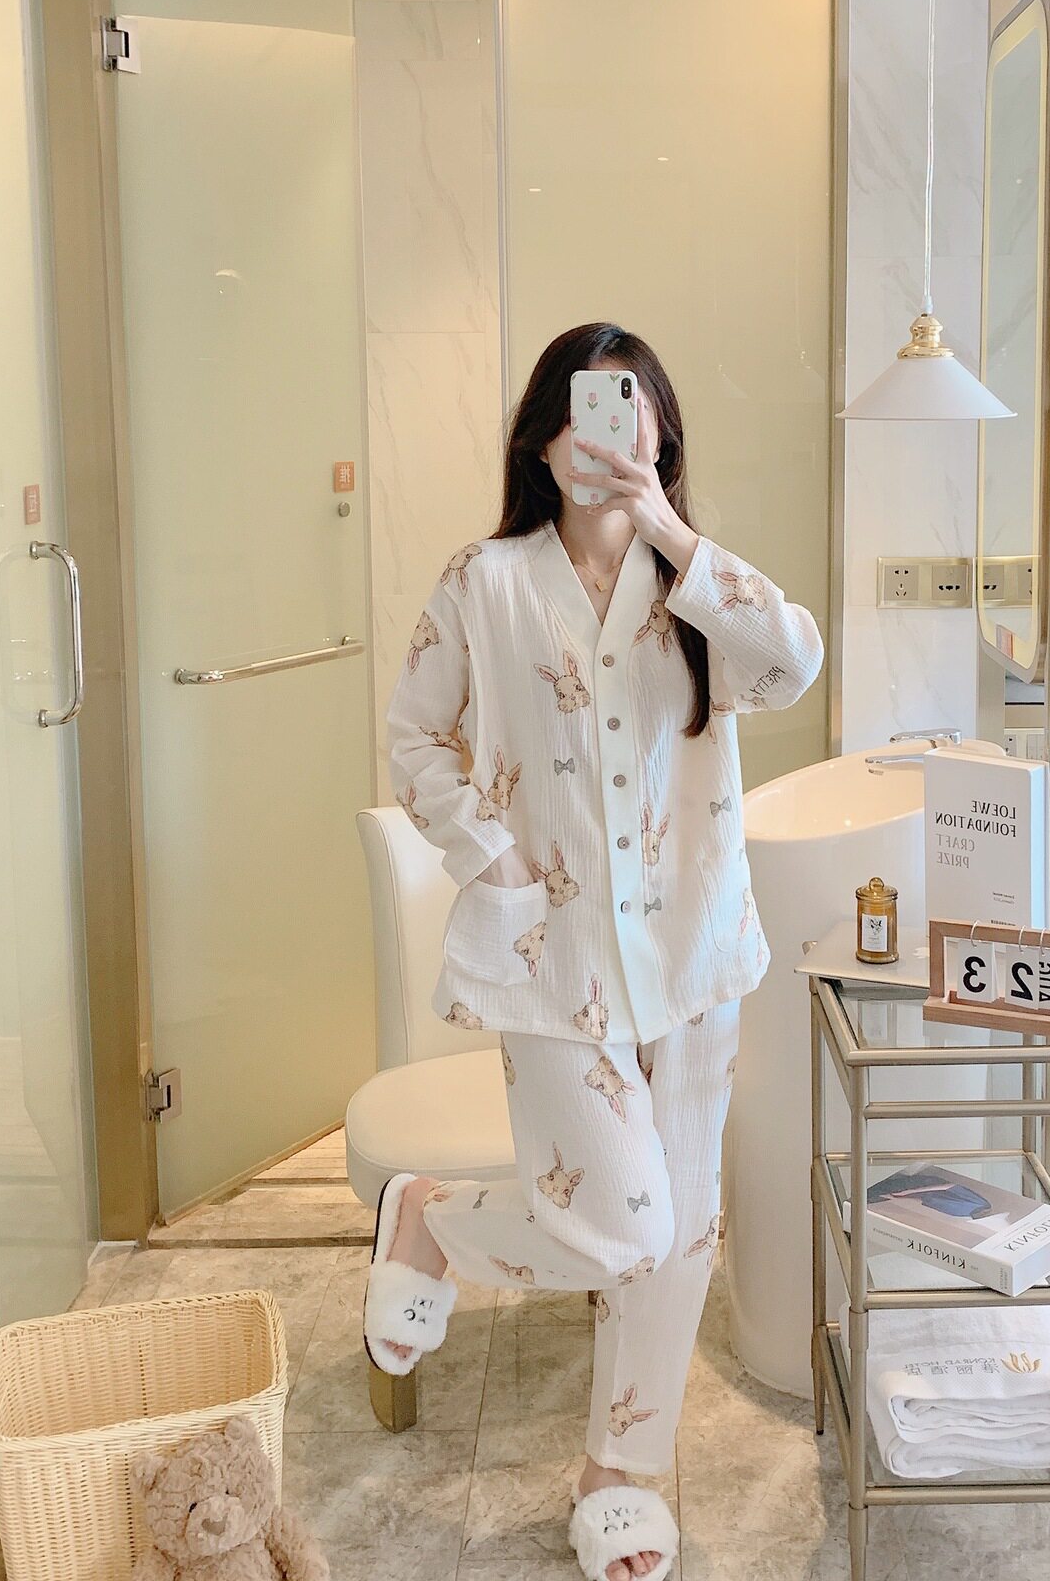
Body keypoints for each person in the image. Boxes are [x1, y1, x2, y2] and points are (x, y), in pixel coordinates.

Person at [364, 321, 823, 1581]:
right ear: (540, 437)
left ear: (659, 432)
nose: (602, 433)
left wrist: (668, 531)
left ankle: (619, 1471)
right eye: (579, 409)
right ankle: (434, 1222)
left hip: (695, 954)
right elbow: (413, 737)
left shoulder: (700, 589)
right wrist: (489, 853)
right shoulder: (487, 581)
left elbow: (793, 662)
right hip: (553, 958)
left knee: (684, 1233)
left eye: (629, 408)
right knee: (624, 1223)